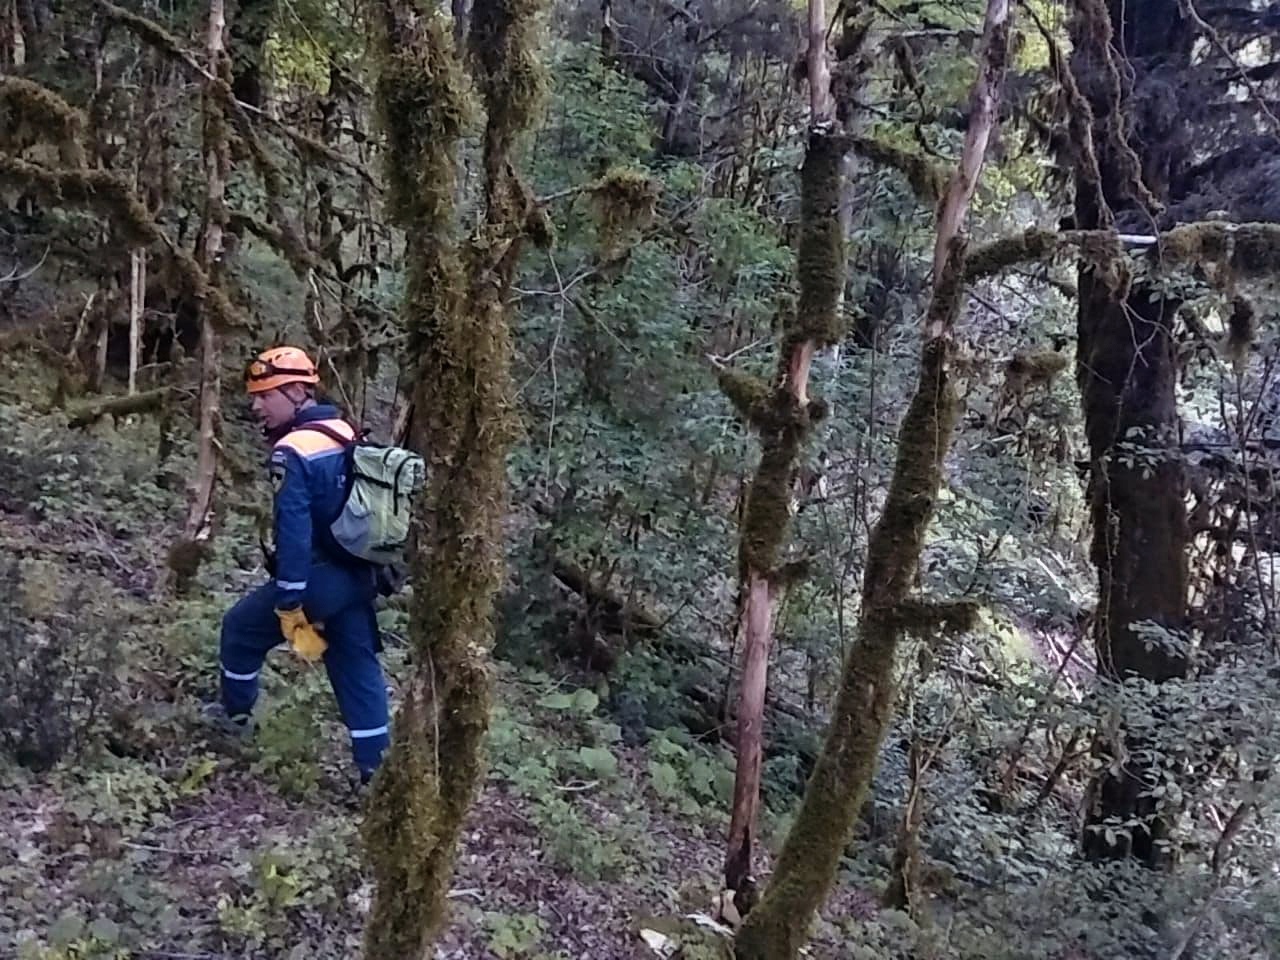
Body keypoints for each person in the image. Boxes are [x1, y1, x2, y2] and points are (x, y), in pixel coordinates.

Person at [203, 346, 390, 785]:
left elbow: (294, 532)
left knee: (240, 629)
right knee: (354, 662)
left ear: (294, 391)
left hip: (317, 579)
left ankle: (234, 719)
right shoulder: (344, 430)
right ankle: (377, 773)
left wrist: (290, 600)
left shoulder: (292, 450)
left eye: (264, 395)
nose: (255, 406)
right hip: (358, 576)